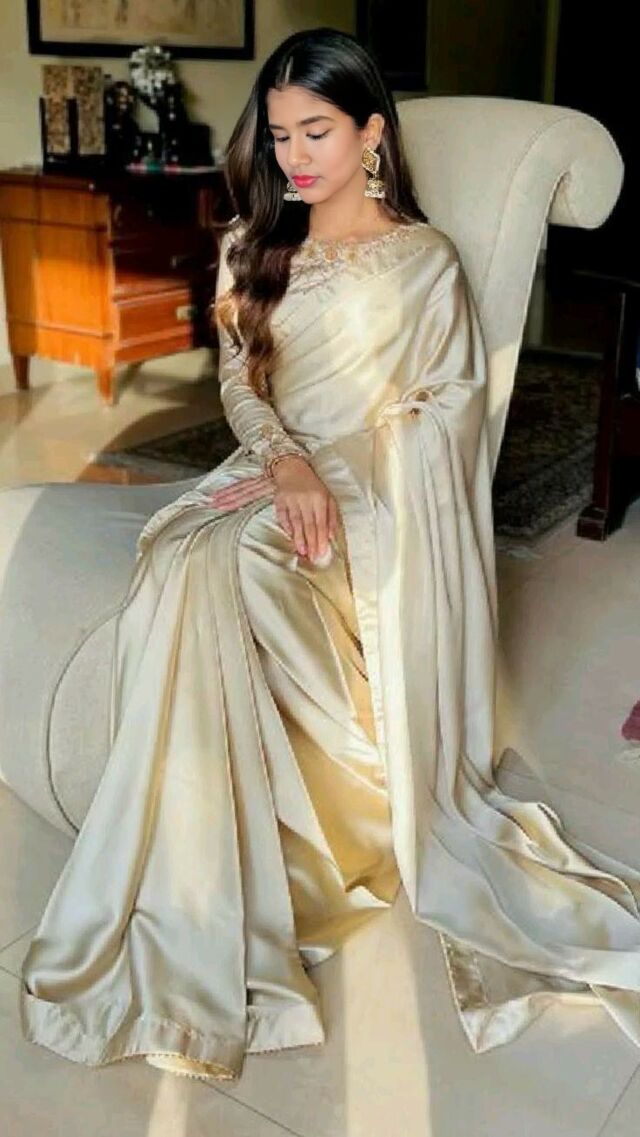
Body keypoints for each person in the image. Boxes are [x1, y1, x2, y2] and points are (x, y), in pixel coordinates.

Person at [19, 26, 640, 1084]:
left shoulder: (423, 261)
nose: (296, 156)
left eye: (318, 131)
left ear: (372, 136)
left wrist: (341, 471)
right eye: (280, 135)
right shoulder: (255, 243)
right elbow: (239, 382)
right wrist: (285, 461)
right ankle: (195, 870)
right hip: (277, 468)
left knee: (243, 564)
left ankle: (308, 848)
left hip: (380, 493)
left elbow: (448, 410)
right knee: (186, 560)